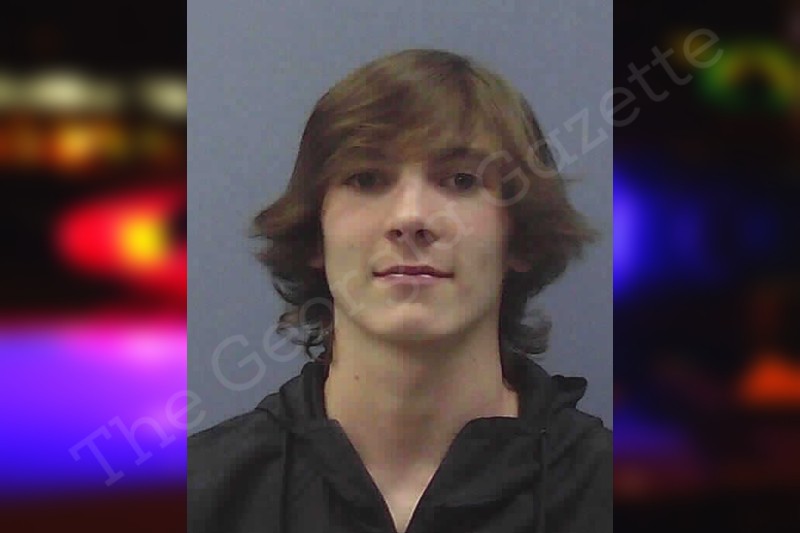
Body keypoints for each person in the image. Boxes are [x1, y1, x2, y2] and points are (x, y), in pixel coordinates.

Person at [188, 48, 611, 533]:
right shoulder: (198, 498)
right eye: (367, 178)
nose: (411, 217)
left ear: (518, 236)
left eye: (461, 180)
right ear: (314, 234)